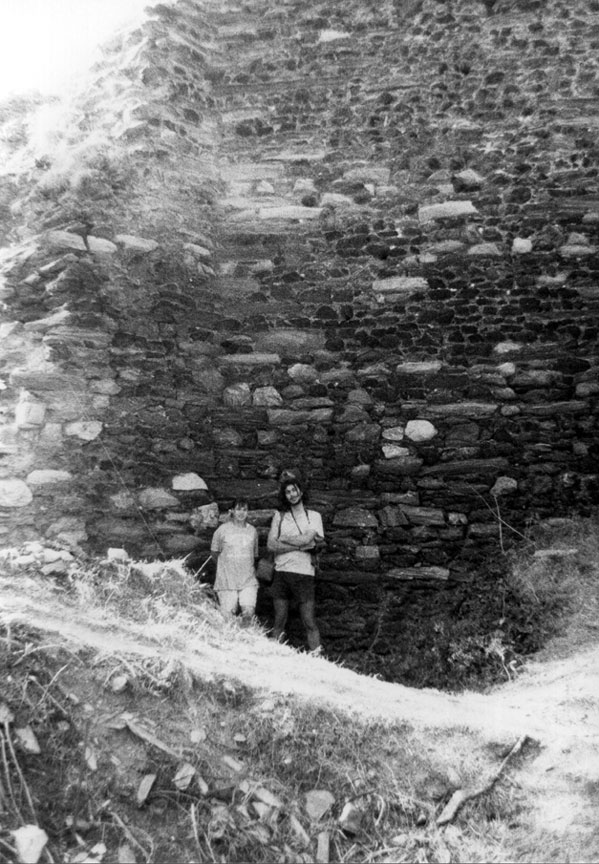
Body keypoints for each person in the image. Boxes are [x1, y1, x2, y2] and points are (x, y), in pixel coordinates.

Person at [267, 478, 324, 653]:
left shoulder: (314, 516)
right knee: (279, 620)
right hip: (281, 572)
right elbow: (271, 545)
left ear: (301, 491)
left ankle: (318, 662)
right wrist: (300, 546)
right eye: (288, 492)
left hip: (304, 573)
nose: (292, 494)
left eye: (294, 490)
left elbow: (308, 539)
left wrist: (284, 539)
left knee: (309, 621)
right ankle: (272, 657)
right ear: (285, 496)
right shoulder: (280, 516)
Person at [210, 498, 259, 622]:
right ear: (231, 511)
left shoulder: (252, 531)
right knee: (228, 618)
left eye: (245, 509)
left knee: (248, 615)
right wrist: (227, 565)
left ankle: (247, 639)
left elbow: (254, 555)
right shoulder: (222, 530)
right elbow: (215, 553)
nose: (241, 513)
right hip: (227, 581)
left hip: (247, 580)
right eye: (238, 509)